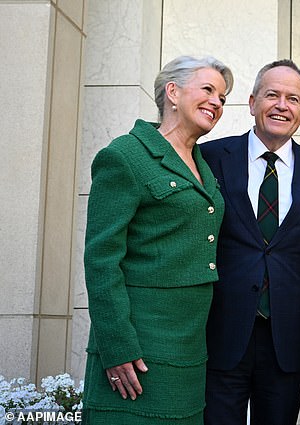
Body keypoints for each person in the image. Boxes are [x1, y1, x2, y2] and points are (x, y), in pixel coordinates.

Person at [82, 55, 233, 425]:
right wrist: (116, 347)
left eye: (223, 98)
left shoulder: (201, 162)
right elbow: (101, 260)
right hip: (141, 339)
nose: (217, 102)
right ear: (173, 92)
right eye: (208, 90)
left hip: (190, 343)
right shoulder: (125, 156)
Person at [200, 59, 300, 425]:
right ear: (252, 102)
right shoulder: (210, 158)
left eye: (292, 99)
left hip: (287, 338)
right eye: (272, 95)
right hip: (221, 331)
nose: (281, 105)